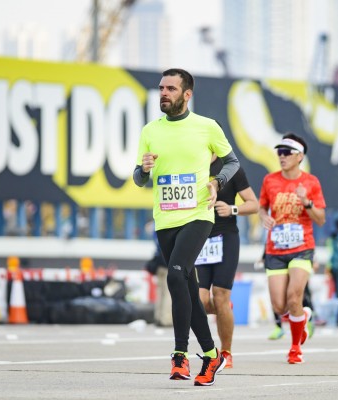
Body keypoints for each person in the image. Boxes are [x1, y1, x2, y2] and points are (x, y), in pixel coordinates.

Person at [133, 68, 239, 386]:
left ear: (187, 94)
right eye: (161, 88)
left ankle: (179, 355)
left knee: (176, 274)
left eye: (171, 89)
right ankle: (211, 355)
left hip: (198, 215)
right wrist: (143, 169)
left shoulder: (207, 127)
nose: (163, 93)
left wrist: (216, 182)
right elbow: (139, 179)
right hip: (165, 219)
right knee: (187, 288)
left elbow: (232, 162)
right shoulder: (150, 130)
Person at [258, 133, 326, 364]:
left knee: (294, 296)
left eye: (287, 152)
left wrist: (306, 202)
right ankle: (302, 316)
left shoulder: (311, 182)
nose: (282, 156)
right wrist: (263, 218)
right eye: (280, 152)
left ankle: (295, 349)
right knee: (280, 306)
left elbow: (321, 219)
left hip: (301, 247)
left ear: (299, 157)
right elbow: (261, 207)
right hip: (275, 249)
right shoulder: (269, 180)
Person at [195, 154, 259, 369]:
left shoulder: (231, 168)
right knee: (200, 301)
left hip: (225, 238)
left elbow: (254, 204)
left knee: (221, 295)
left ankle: (226, 352)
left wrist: (232, 209)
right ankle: (224, 310)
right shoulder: (192, 164)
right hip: (200, 239)